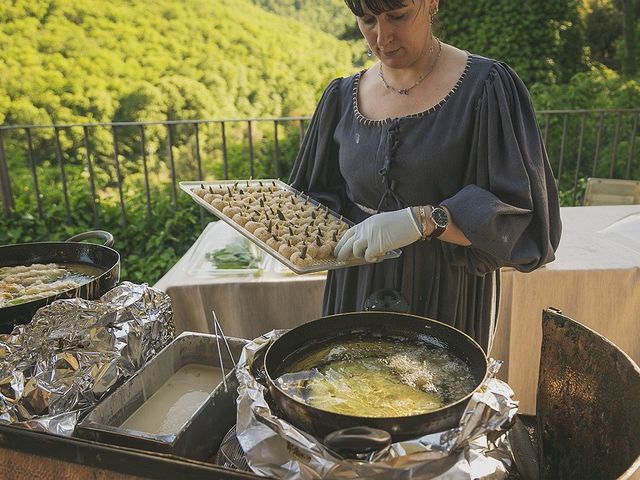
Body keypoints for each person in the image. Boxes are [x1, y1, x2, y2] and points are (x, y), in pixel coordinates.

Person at [289, 0, 562, 352]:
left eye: (398, 16)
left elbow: (520, 217)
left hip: (448, 291)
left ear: (431, 2)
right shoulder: (342, 97)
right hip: (356, 284)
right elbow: (312, 200)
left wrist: (422, 221)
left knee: (435, 395)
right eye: (367, 19)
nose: (382, 36)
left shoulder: (487, 87)